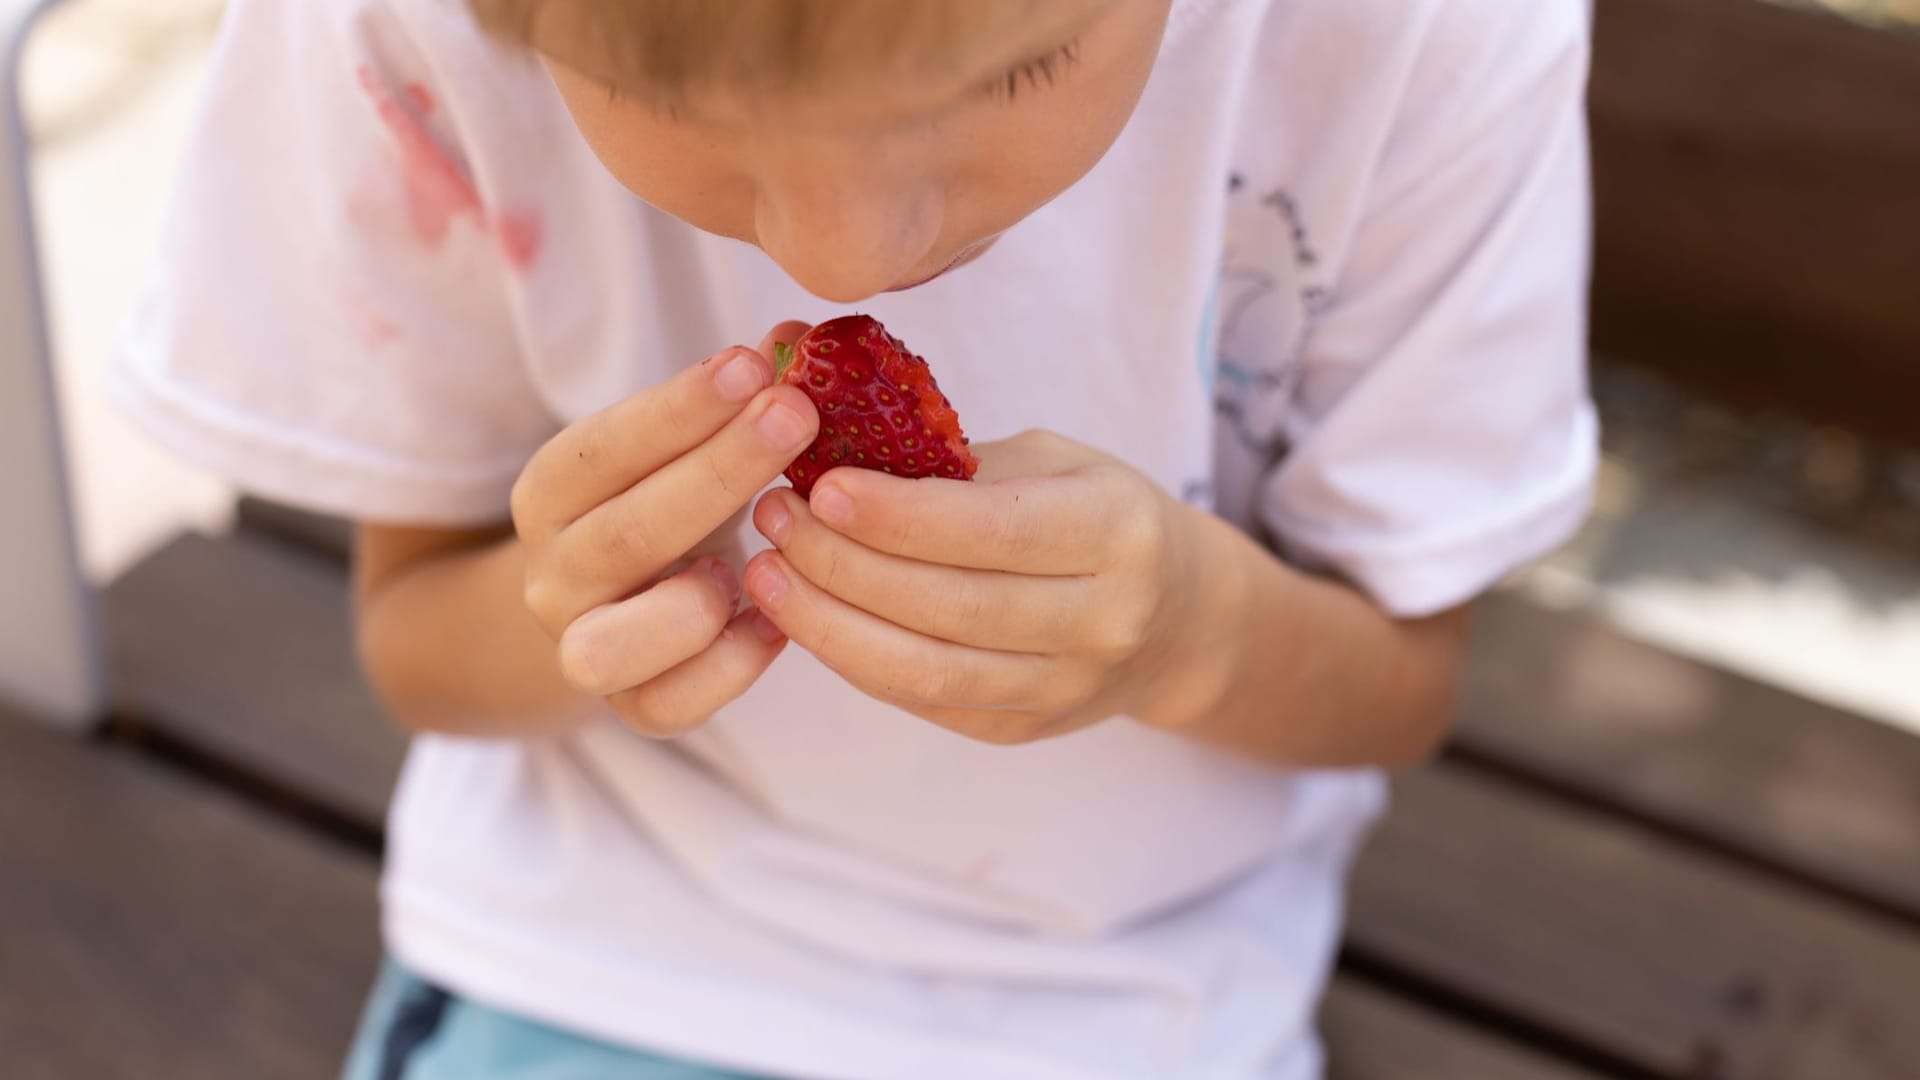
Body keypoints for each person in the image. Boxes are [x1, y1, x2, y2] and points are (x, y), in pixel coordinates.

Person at [110, 0, 1597, 1076]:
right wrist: (581, 610)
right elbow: (416, 642)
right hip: (597, 944)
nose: (846, 253)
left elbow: (1401, 683)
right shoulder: (403, 32)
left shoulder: (1423, 39)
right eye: (679, 104)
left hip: (1124, 999)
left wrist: (1195, 629)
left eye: (1022, 65)